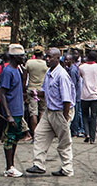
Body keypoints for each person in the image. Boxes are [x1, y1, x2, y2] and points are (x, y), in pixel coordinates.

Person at [27, 47, 75, 177]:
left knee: (64, 141)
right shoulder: (49, 73)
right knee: (39, 134)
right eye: (46, 57)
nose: (47, 59)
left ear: (58, 58)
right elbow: (45, 92)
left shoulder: (62, 75)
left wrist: (65, 118)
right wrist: (36, 93)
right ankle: (39, 164)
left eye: (50, 57)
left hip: (61, 111)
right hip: (49, 111)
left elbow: (67, 99)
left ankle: (67, 168)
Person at [0, 44, 28, 177]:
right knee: (9, 138)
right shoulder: (8, 71)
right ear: (14, 57)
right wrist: (8, 114)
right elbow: (2, 93)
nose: (23, 58)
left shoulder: (17, 70)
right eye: (21, 56)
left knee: (15, 138)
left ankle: (11, 166)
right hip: (11, 111)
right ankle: (9, 167)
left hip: (18, 110)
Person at [78, 49, 97, 143]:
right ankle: (92, 138)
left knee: (85, 115)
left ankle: (87, 133)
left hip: (84, 95)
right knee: (94, 116)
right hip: (95, 96)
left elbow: (81, 77)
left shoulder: (82, 67)